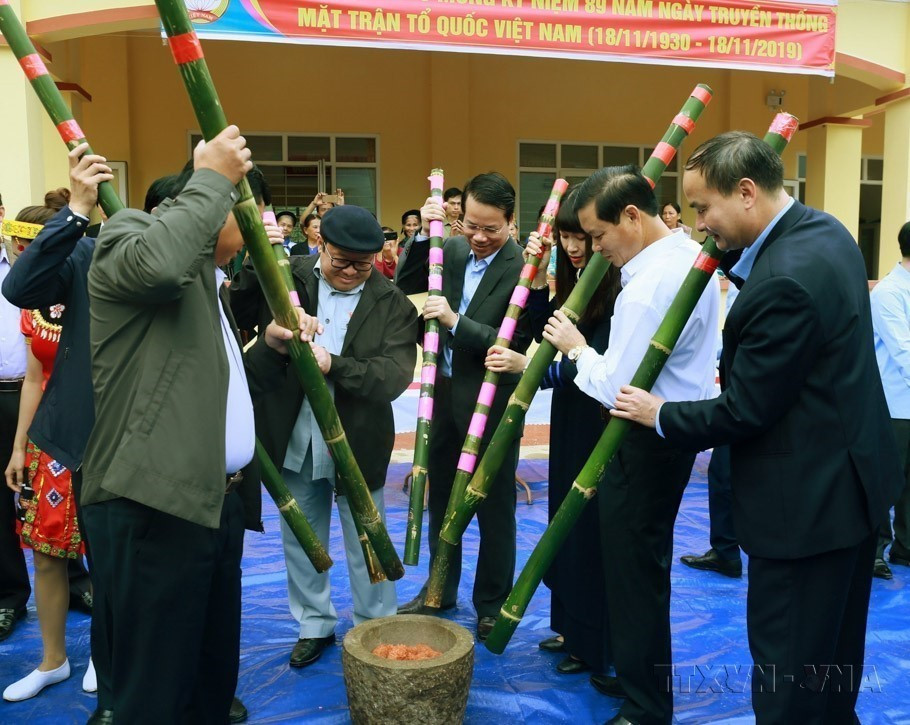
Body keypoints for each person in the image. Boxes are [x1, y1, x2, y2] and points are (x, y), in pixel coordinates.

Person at [612, 132, 901, 724]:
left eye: (701, 209)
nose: (698, 226)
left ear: (745, 193)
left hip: (804, 510)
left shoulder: (782, 281)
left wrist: (658, 413)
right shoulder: (826, 232)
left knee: (790, 680)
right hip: (851, 490)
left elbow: (743, 410)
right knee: (830, 668)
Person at [80, 126, 299, 724]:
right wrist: (212, 178)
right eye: (246, 214)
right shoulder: (129, 235)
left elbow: (201, 386)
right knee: (154, 691)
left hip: (210, 506)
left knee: (208, 678)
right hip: (153, 506)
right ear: (214, 200)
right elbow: (155, 268)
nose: (255, 235)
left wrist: (270, 349)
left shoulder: (212, 285)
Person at [543, 165, 719, 725]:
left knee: (634, 573)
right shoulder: (684, 257)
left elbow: (619, 386)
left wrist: (572, 347)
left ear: (632, 217)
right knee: (636, 567)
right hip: (669, 434)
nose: (595, 250)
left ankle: (646, 704)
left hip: (643, 441)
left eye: (598, 237)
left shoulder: (646, 286)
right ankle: (632, 676)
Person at [232, 204, 417, 669]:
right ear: (321, 246)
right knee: (302, 536)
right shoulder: (287, 276)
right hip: (295, 431)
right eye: (340, 261)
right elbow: (235, 301)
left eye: (363, 264)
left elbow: (392, 376)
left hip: (359, 439)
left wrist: (335, 364)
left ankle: (375, 627)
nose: (351, 272)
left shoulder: (391, 301)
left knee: (367, 540)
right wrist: (257, 251)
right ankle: (314, 624)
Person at [484, 188, 620, 682]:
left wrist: (535, 367)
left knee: (585, 529)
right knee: (562, 519)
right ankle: (570, 627)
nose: (574, 247)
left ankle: (593, 643)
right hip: (569, 414)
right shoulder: (573, 279)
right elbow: (547, 341)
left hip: (597, 417)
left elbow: (597, 363)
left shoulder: (617, 283)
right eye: (565, 238)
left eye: (581, 237)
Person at [395, 172, 530, 641]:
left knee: (494, 508)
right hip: (442, 394)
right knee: (440, 502)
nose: (478, 236)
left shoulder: (524, 268)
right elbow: (405, 280)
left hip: (491, 402)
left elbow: (513, 346)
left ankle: (491, 603)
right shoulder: (449, 250)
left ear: (511, 223)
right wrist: (422, 234)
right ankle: (438, 591)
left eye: (491, 228)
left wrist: (456, 322)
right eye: (470, 224)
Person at [1, 186, 100, 704]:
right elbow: (34, 381)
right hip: (48, 442)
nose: (24, 256)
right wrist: (19, 448)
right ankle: (52, 660)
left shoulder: (94, 286)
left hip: (98, 437)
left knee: (106, 553)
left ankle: (106, 655)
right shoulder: (30, 308)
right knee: (44, 555)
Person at [869, 220, 910, 580]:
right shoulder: (889, 293)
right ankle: (875, 550)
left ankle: (905, 548)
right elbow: (903, 352)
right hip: (894, 406)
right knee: (886, 480)